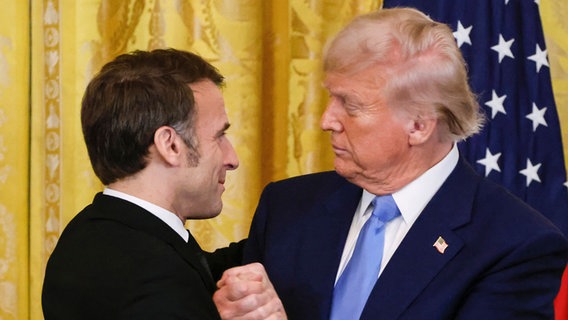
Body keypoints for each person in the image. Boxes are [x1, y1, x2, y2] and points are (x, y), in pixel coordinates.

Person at [240, 7, 568, 319]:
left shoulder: (515, 245)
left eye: (349, 106)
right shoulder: (287, 206)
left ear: (419, 126)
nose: (327, 120)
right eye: (331, 97)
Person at [42, 48, 284, 319]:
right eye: (219, 136)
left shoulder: (92, 233)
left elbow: (197, 267)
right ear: (170, 145)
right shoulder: (152, 277)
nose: (232, 159)